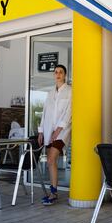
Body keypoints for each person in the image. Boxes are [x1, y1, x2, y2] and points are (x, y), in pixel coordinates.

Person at [38, 64, 71, 206]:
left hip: (62, 132)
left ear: (65, 75)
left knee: (51, 160)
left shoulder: (70, 91)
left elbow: (69, 112)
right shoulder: (50, 93)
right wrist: (40, 131)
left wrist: (57, 131)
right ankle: (54, 192)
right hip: (47, 131)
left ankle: (53, 193)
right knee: (52, 163)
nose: (58, 74)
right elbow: (44, 112)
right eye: (56, 72)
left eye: (60, 72)